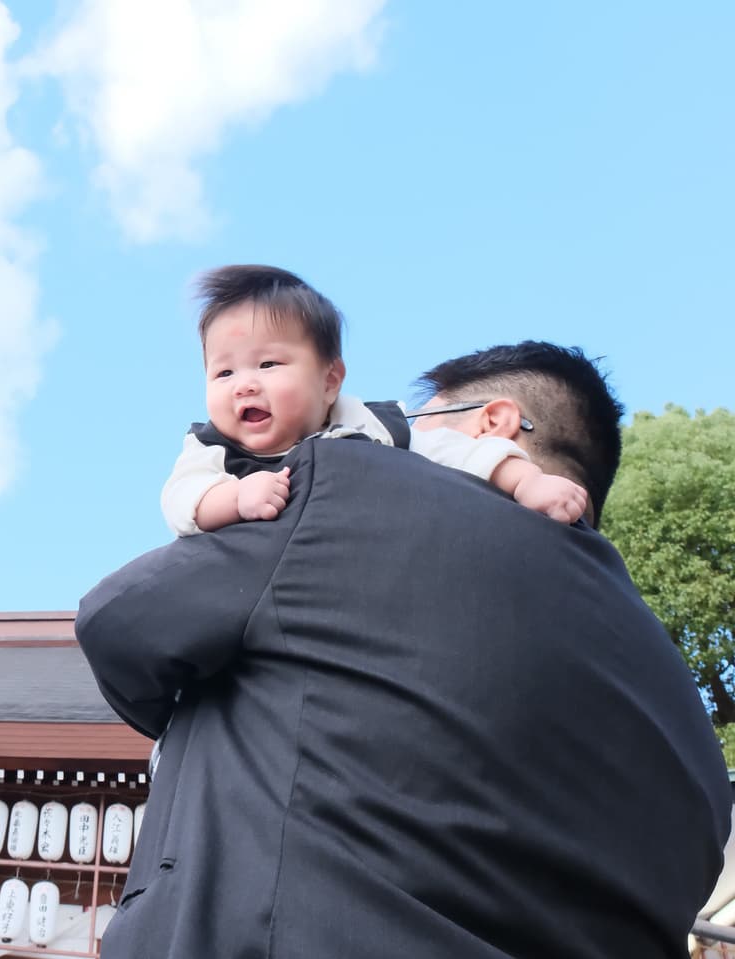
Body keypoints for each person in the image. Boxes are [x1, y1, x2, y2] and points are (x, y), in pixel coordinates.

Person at [76, 340, 730, 958]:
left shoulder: (348, 484)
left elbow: (119, 620)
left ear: (493, 423)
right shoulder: (694, 742)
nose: (399, 434)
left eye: (419, 419)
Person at [162, 265, 587, 535]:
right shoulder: (213, 450)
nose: (244, 385)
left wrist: (527, 481)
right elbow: (181, 499)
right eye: (224, 372)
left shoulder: (378, 428)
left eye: (268, 364)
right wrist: (233, 500)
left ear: (330, 380)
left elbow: (461, 452)